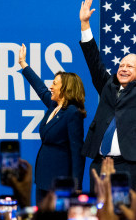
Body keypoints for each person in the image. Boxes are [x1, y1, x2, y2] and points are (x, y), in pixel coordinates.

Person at [77, 0, 136, 190]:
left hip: (129, 165)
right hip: (100, 163)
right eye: (121, 65)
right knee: (100, 214)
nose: (124, 68)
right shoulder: (107, 85)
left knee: (129, 215)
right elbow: (93, 61)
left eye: (130, 66)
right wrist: (85, 24)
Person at [18, 44, 86, 203]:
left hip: (60, 180)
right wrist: (23, 63)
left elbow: (77, 152)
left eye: (55, 84)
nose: (51, 87)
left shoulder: (72, 113)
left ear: (66, 89)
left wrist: (77, 185)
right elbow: (40, 88)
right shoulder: (54, 106)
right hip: (43, 177)